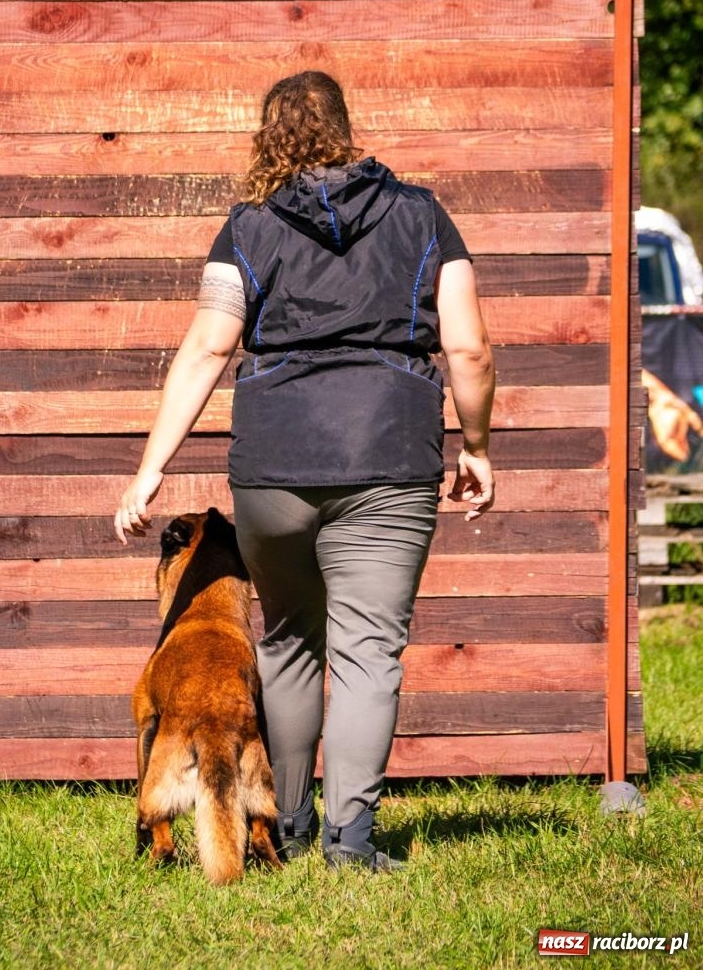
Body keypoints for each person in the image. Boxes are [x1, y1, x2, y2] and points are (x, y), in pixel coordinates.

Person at [115, 70, 495, 872]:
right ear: (347, 129)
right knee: (367, 651)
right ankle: (350, 844)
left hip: (273, 465)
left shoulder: (247, 226)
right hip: (390, 457)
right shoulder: (423, 215)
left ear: (267, 135)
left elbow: (210, 346)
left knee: (287, 640)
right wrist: (477, 445)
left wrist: (151, 469)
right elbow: (468, 347)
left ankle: (281, 821)